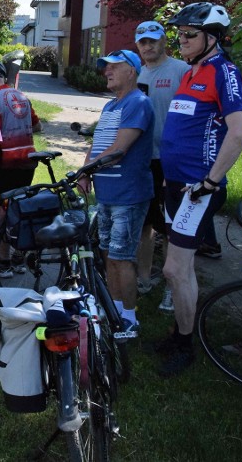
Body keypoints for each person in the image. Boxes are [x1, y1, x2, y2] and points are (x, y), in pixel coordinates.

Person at [157, 3, 242, 377]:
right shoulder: (190, 72)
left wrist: (210, 182)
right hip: (176, 184)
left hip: (199, 188)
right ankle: (180, 335)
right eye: (179, 34)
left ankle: (185, 344)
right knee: (183, 269)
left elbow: (240, 132)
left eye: (190, 34)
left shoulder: (223, 71)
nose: (182, 40)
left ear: (213, 38)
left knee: (174, 270)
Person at [84, 49, 154, 340]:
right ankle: (113, 313)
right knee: (108, 256)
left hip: (128, 193)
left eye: (114, 67)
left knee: (122, 257)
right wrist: (85, 170)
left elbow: (119, 149)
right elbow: (100, 143)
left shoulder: (138, 103)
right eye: (105, 68)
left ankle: (129, 319)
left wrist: (85, 169)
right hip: (107, 192)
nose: (107, 72)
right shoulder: (110, 106)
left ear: (132, 71)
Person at [133, 20, 189, 312]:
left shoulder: (181, 70)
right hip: (143, 158)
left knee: (170, 227)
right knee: (145, 224)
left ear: (164, 41)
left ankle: (172, 286)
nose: (148, 46)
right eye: (142, 42)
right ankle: (144, 279)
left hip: (172, 161)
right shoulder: (138, 72)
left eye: (153, 40)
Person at [0, 60, 42, 275]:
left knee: (3, 211)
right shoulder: (21, 95)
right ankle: (19, 256)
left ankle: (4, 261)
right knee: (21, 208)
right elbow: (38, 125)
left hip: (7, 162)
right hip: (28, 160)